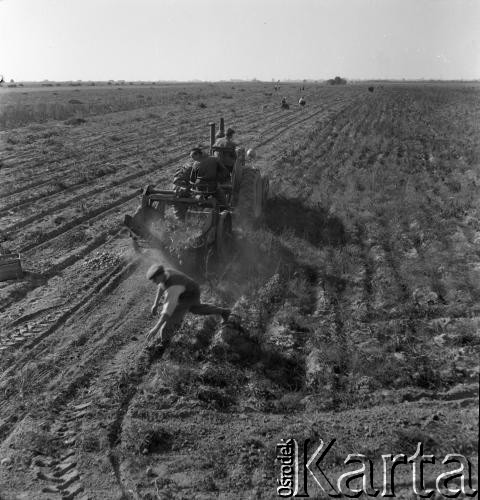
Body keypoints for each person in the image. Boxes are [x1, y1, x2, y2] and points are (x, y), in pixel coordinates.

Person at [145, 264, 231, 352]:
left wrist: (156, 328)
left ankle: (164, 345)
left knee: (168, 323)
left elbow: (167, 310)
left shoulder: (173, 286)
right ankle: (224, 312)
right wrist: (155, 303)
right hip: (189, 290)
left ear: (160, 275)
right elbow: (161, 286)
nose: (154, 282)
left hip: (189, 294)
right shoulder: (165, 274)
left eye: (154, 279)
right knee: (197, 309)